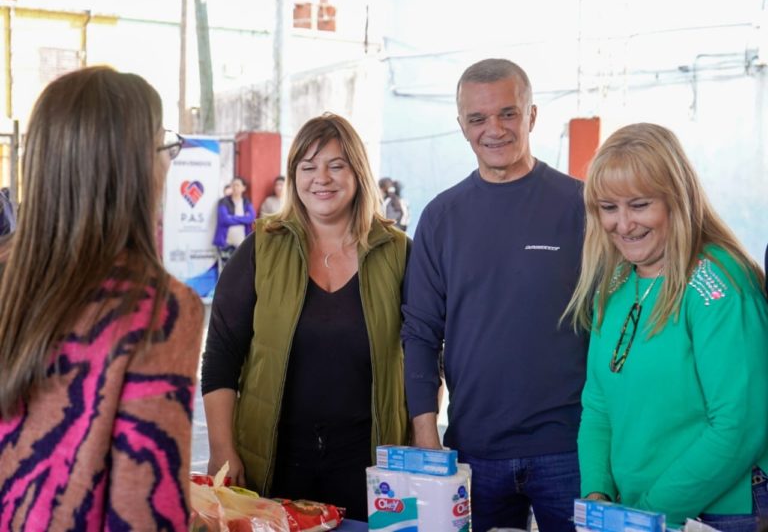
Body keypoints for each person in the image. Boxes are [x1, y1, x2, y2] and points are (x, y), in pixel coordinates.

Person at [0, 66, 204, 530]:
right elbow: (145, 511)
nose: (168, 164)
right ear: (135, 166)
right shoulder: (157, 309)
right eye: (164, 147)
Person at [402, 58, 588, 532]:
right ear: (461, 125)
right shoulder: (441, 217)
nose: (494, 129)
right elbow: (421, 332)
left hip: (570, 449)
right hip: (474, 451)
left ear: (531, 116)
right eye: (478, 118)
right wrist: (427, 433)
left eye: (507, 113)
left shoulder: (580, 205)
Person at [201, 112, 409, 521]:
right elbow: (221, 356)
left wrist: (421, 444)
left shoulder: (398, 253)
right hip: (274, 461)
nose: (322, 178)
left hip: (369, 463)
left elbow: (424, 355)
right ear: (293, 176)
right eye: (308, 167)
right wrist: (222, 448)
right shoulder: (261, 248)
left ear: (359, 172)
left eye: (336, 165)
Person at [564, 122, 768, 530]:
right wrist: (597, 493)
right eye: (608, 208)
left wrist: (650, 515)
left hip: (715, 512)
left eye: (639, 205)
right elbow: (599, 404)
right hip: (638, 512)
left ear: (677, 199)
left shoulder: (719, 284)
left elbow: (739, 427)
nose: (622, 225)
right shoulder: (619, 280)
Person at [213, 176, 256, 269]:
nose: (235, 187)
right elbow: (224, 219)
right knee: (225, 270)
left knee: (241, 270)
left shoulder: (246, 202)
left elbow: (251, 218)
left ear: (243, 188)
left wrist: (232, 217)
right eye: (233, 185)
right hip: (226, 242)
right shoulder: (223, 201)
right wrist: (243, 218)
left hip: (242, 243)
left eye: (237, 185)